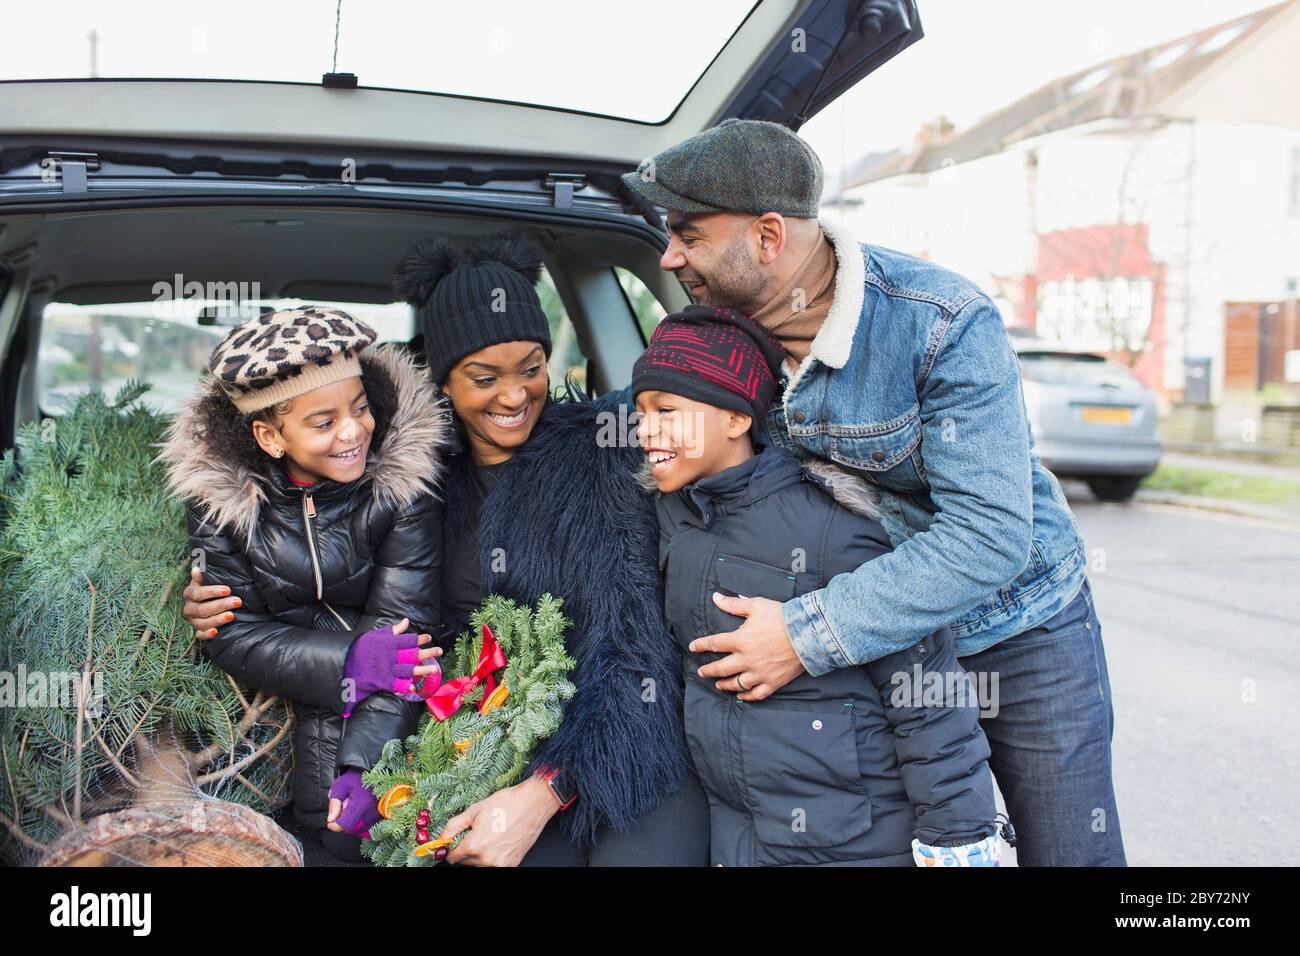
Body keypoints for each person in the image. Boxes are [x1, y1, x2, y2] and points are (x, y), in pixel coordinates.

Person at [620, 118, 1125, 867]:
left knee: (1068, 851)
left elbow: (988, 537)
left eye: (688, 234)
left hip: (1017, 633)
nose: (670, 256)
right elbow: (672, 437)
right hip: (877, 651)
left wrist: (802, 634)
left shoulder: (939, 323)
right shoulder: (717, 341)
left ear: (767, 236)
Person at [182, 235, 708, 866]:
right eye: (484, 377)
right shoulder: (412, 482)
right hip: (470, 748)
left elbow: (635, 648)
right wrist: (221, 610)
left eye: (532, 367)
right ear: (442, 381)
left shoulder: (603, 461)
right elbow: (343, 592)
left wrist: (545, 790)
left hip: (610, 744)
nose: (515, 396)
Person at [633, 305, 1001, 866]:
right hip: (741, 837)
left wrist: (958, 840)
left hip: (852, 842)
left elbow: (927, 696)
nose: (644, 429)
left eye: (666, 410)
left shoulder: (831, 529)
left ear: (736, 420)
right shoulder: (673, 518)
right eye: (639, 412)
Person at [159, 307, 445, 863]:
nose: (353, 431)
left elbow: (401, 640)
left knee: (348, 839)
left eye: (360, 408)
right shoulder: (223, 503)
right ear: (270, 436)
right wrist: (353, 659)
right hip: (267, 730)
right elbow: (232, 633)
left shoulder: (403, 486)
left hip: (389, 721)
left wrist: (363, 768)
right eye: (323, 422)